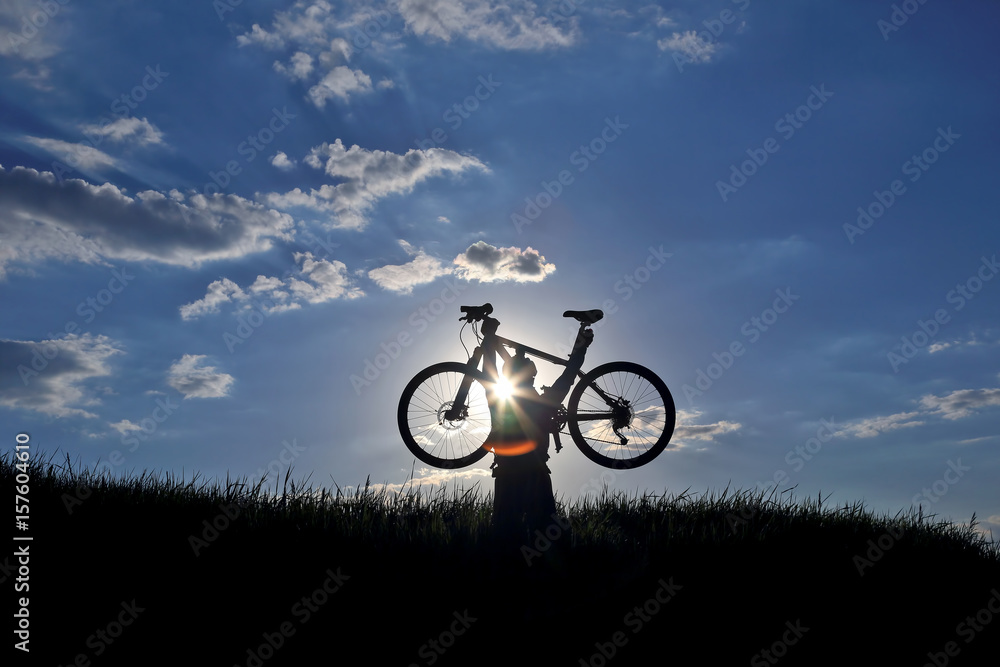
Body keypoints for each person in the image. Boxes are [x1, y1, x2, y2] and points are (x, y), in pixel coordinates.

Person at [480, 315, 594, 539]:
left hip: (508, 476)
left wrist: (488, 338)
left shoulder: (498, 401)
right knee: (546, 537)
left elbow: (488, 370)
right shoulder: (545, 402)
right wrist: (581, 346)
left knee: (503, 538)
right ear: (532, 376)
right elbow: (570, 374)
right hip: (536, 474)